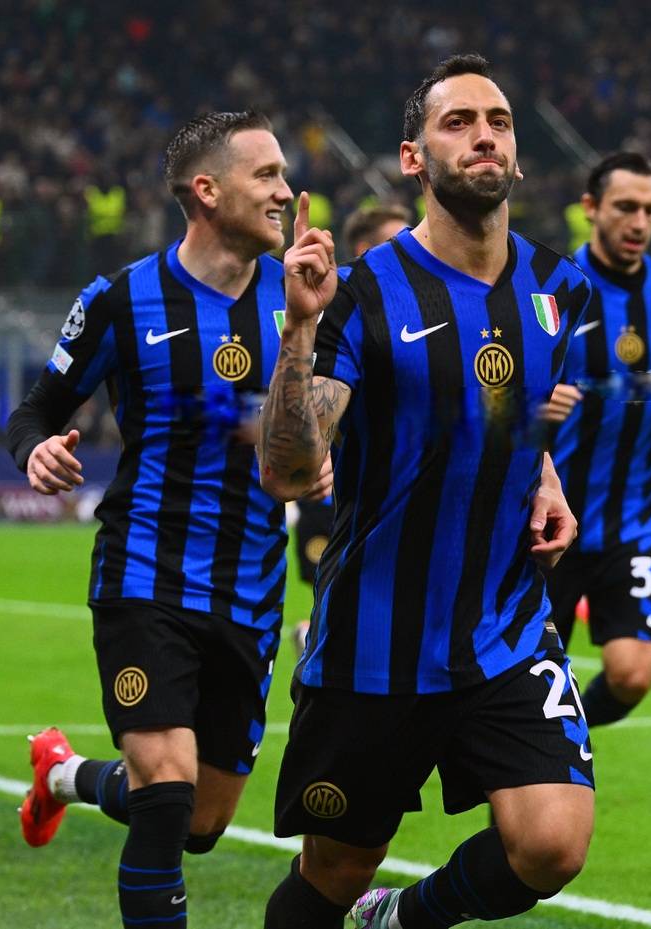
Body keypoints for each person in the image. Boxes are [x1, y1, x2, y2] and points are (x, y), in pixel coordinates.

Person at [256, 54, 592, 929]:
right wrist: (299, 329)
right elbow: (287, 470)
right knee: (333, 871)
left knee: (552, 844)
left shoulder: (559, 288)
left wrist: (545, 476)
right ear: (413, 158)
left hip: (504, 625)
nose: (484, 136)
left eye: (498, 121)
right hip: (376, 642)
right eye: (457, 122)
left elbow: (500, 405)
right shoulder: (361, 294)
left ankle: (399, 920)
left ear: (516, 153)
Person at [6, 111, 325, 927]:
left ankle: (63, 775)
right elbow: (36, 408)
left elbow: (327, 431)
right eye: (266, 174)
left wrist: (321, 451)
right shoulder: (119, 300)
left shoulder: (302, 300)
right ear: (206, 190)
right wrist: (36, 450)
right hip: (145, 573)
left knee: (201, 820)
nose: (285, 190)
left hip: (249, 591)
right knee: (167, 788)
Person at [544, 152, 651, 731]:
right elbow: (500, 384)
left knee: (633, 676)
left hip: (636, 518)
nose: (640, 222)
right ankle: (537, 753)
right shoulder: (553, 285)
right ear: (591, 208)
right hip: (551, 522)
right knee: (524, 676)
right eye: (626, 207)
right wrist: (532, 403)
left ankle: (558, 740)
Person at [289, 204, 411, 654]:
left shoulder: (415, 315)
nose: (408, 249)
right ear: (364, 248)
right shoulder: (332, 308)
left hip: (398, 496)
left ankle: (313, 634)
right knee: (343, 597)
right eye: (395, 240)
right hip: (330, 495)